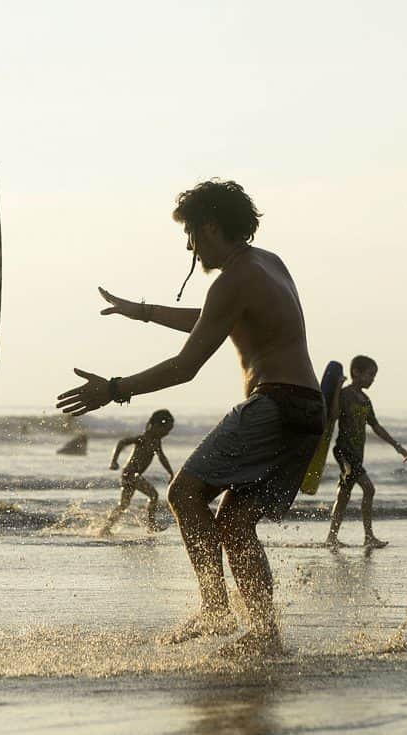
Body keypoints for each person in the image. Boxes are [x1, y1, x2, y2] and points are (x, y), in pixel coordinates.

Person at [56, 180, 324, 657]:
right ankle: (266, 636)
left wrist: (114, 390)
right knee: (236, 522)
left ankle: (216, 609)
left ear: (212, 226)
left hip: (274, 403)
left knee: (182, 491)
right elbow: (218, 318)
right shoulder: (266, 263)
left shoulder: (234, 278)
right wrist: (142, 312)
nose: (189, 247)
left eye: (192, 235)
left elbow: (185, 367)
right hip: (307, 409)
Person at [325, 355, 407, 550]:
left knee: (345, 494)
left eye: (374, 376)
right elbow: (334, 414)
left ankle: (332, 537)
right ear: (356, 373)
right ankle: (367, 536)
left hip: (356, 453)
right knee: (368, 489)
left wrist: (396, 445)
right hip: (344, 451)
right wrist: (337, 388)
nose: (372, 379)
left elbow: (376, 426)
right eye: (370, 375)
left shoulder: (365, 400)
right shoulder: (345, 395)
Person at [99, 410, 175, 535]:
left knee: (124, 504)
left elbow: (162, 457)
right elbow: (122, 442)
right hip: (130, 473)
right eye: (165, 430)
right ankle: (151, 525)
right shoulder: (143, 439)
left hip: (131, 475)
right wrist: (114, 461)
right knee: (153, 495)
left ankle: (106, 528)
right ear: (156, 425)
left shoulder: (156, 442)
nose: (166, 434)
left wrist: (170, 472)